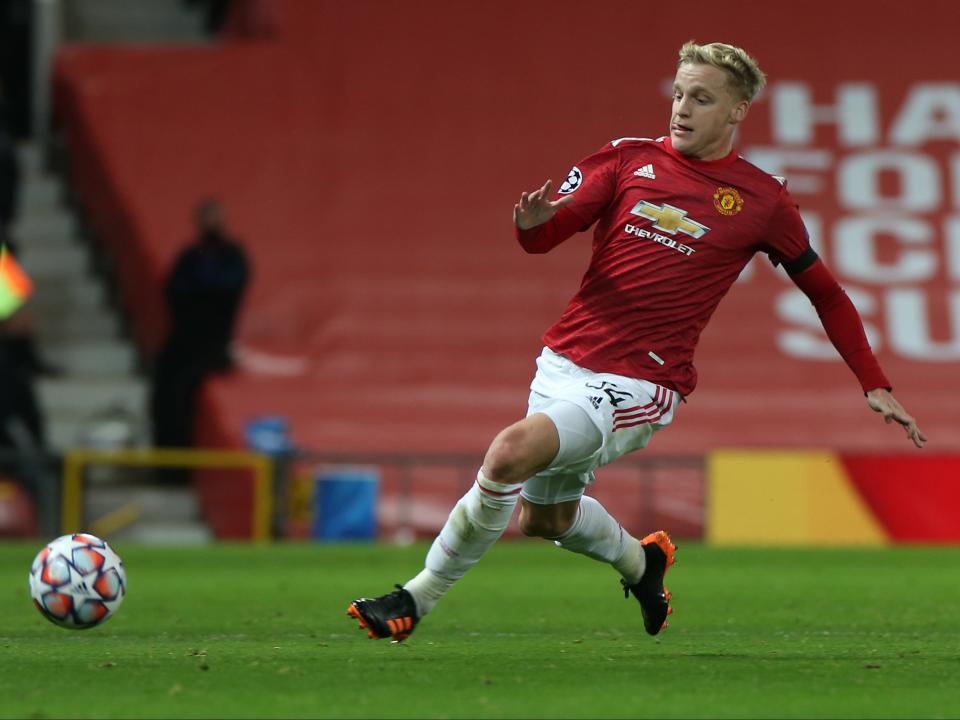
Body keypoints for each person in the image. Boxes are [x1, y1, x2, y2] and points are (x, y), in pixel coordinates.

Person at [346, 41, 927, 643]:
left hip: (640, 382)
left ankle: (414, 598)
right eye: (678, 93)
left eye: (701, 98)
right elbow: (547, 237)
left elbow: (826, 294)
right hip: (563, 363)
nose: (682, 108)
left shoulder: (762, 200)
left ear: (737, 111)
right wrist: (531, 225)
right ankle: (640, 562)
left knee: (509, 452)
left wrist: (874, 382)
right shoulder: (627, 160)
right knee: (544, 520)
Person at [150, 198, 249, 452]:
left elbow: (227, 291)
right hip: (184, 339)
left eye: (214, 216)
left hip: (214, 342)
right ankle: (167, 459)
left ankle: (183, 458)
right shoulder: (190, 256)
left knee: (185, 388)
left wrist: (201, 293)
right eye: (205, 217)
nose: (210, 222)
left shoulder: (232, 254)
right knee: (164, 387)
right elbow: (175, 291)